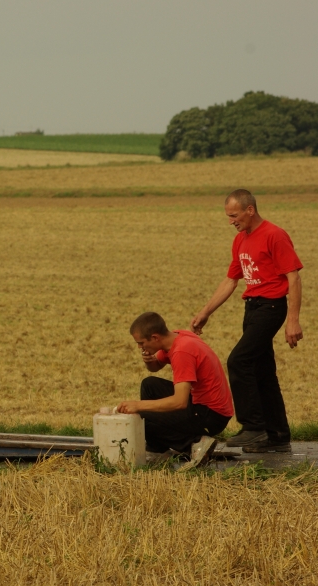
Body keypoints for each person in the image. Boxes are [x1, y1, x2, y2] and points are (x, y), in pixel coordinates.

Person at [190, 189, 303, 453]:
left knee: (239, 361)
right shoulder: (241, 240)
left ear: (249, 210)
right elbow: (231, 280)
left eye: (234, 215)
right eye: (228, 216)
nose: (231, 221)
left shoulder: (274, 235)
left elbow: (294, 278)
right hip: (251, 308)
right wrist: (206, 311)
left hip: (271, 307)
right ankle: (277, 435)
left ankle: (253, 427)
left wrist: (292, 321)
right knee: (263, 372)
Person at [117, 313, 234, 468]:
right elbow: (156, 366)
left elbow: (179, 402)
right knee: (149, 385)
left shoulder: (181, 352)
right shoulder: (177, 337)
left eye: (141, 342)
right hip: (207, 406)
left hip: (211, 416)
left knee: (143, 416)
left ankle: (194, 444)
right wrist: (149, 362)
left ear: (155, 337)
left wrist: (138, 406)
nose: (139, 347)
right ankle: (158, 448)